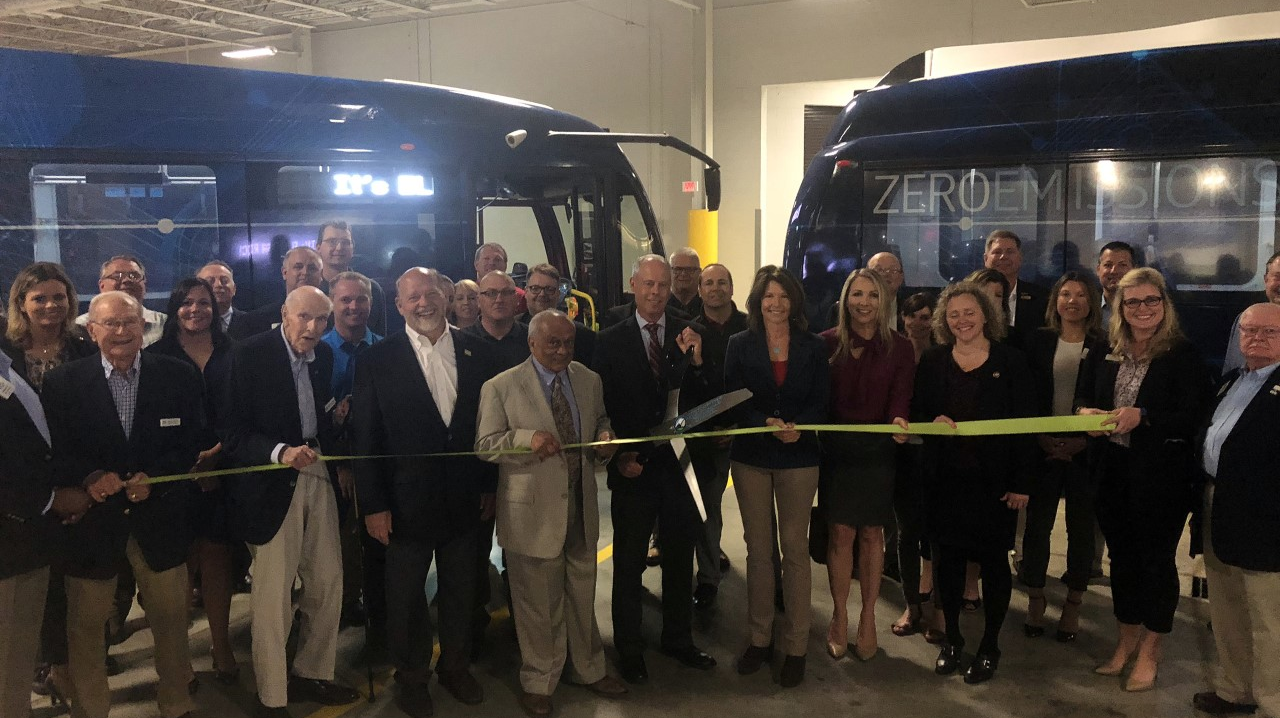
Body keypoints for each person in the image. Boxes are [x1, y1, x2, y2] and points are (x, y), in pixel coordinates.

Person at [43, 290, 206, 718]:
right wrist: (90, 477)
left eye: (129, 322)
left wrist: (156, 478)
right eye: (109, 324)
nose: (120, 331)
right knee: (85, 629)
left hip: (159, 521)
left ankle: (176, 703)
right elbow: (56, 451)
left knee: (171, 623)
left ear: (144, 327)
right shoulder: (62, 384)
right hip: (93, 528)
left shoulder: (177, 375)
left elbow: (191, 442)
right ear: (91, 330)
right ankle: (92, 710)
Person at [352, 268, 498, 717]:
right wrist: (373, 505)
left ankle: (455, 667)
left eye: (430, 294)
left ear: (448, 296)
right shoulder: (377, 359)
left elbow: (490, 429)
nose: (423, 304)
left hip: (464, 499)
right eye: (412, 298)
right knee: (406, 597)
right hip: (401, 504)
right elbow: (366, 440)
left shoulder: (480, 352)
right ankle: (412, 677)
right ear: (398, 307)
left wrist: (489, 488)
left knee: (461, 590)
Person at [474, 310, 628, 717]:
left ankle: (589, 669)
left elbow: (600, 421)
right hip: (532, 514)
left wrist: (605, 437)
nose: (561, 351)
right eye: (552, 344)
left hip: (581, 506)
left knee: (581, 594)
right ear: (531, 343)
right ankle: (539, 680)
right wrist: (526, 439)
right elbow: (485, 444)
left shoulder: (588, 380)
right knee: (537, 605)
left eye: (568, 343)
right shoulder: (501, 386)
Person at [219, 286, 359, 717]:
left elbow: (317, 416)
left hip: (316, 472)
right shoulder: (248, 355)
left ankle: (312, 672)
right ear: (284, 313)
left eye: (321, 320)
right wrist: (281, 452)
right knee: (273, 597)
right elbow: (233, 434)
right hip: (270, 484)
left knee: (328, 582)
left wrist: (335, 423)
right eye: (304, 318)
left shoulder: (326, 359)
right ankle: (273, 697)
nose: (313, 328)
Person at [1076, 267, 1211, 692]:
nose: (1143, 309)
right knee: (1122, 562)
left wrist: (1145, 417)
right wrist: (1085, 415)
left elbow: (1195, 416)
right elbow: (1082, 397)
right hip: (1111, 472)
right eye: (1132, 302)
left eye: (1151, 300)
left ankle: (1151, 650)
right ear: (1120, 307)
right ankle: (1125, 643)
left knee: (1155, 564)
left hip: (1162, 479)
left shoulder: (1182, 354)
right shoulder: (1104, 347)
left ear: (1164, 305)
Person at [592, 254, 715, 685]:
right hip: (633, 467)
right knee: (627, 563)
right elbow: (601, 407)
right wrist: (618, 456)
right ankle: (629, 647)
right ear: (633, 284)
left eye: (663, 285)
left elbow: (703, 400)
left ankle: (678, 639)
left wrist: (697, 364)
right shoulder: (608, 339)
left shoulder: (689, 330)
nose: (656, 293)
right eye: (648, 284)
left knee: (680, 558)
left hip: (678, 465)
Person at [911, 281, 1035, 685]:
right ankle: (953, 642)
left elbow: (1025, 428)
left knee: (994, 565)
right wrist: (932, 423)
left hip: (995, 486)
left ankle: (990, 645)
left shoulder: (1012, 361)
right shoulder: (932, 361)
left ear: (986, 315)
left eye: (969, 312)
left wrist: (1021, 483)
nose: (962, 320)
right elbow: (918, 412)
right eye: (953, 314)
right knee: (946, 563)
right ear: (944, 321)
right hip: (943, 482)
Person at [722, 266, 828, 686]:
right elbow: (733, 399)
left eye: (783, 296)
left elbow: (823, 399)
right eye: (768, 296)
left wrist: (801, 424)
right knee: (759, 552)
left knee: (795, 552)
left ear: (794, 301)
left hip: (800, 457)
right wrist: (760, 419)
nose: (776, 304)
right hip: (751, 456)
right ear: (757, 302)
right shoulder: (739, 344)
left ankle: (797, 645)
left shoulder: (814, 346)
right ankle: (760, 638)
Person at [3, 262, 98, 703]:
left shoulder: (84, 348)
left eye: (58, 297)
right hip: (23, 494)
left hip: (77, 485)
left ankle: (64, 667)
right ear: (21, 302)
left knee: (67, 588)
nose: (50, 305)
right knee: (29, 593)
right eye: (39, 297)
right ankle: (46, 668)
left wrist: (81, 491)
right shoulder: (5, 353)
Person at [145, 278, 239, 684]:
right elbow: (148, 421)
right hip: (176, 475)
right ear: (174, 308)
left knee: (218, 562)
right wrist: (190, 465)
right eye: (186, 303)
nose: (195, 310)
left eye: (203, 303)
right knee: (180, 569)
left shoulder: (235, 353)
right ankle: (179, 659)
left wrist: (217, 456)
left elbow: (246, 410)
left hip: (227, 468)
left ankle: (221, 647)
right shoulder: (154, 355)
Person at [819, 268, 914, 662]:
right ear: (845, 300)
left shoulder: (902, 347)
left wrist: (898, 420)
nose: (864, 302)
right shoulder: (824, 343)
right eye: (856, 294)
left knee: (873, 534)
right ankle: (840, 616)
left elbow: (900, 397)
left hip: (878, 452)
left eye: (872, 295)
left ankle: (869, 617)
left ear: (884, 300)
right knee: (840, 533)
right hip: (837, 451)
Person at [1193, 302, 1280, 718]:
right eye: (1249, 331)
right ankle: (1236, 690)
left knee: (1270, 620)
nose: (1257, 339)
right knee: (1226, 607)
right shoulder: (1231, 381)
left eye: (1270, 332)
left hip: (1268, 518)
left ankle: (1272, 704)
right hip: (1219, 505)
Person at [1019, 272, 1108, 642]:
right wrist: (1040, 437)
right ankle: (1036, 598)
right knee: (1037, 529)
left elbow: (1109, 397)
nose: (1072, 301)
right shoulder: (1037, 341)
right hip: (1042, 448)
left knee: (1080, 529)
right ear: (1055, 301)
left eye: (1081, 295)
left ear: (1092, 302)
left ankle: (1073, 602)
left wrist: (1082, 443)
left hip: (1083, 452)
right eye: (1065, 294)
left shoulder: (1104, 345)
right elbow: (1026, 395)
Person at [319, 271, 387, 637]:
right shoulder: (319, 351)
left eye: (361, 299)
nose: (354, 306)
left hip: (377, 465)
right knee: (337, 545)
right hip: (334, 465)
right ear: (332, 303)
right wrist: (342, 461)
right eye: (346, 300)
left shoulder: (387, 349)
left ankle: (377, 615)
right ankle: (339, 606)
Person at [688, 263, 747, 609]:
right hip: (706, 437)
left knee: (760, 515)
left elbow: (756, 384)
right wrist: (711, 427)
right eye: (708, 283)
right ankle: (708, 579)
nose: (715, 289)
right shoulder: (687, 331)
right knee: (708, 510)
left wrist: (737, 425)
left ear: (732, 287)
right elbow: (689, 391)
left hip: (749, 432)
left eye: (721, 282)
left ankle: (773, 581)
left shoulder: (751, 328)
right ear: (699, 290)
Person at [890, 291, 942, 642]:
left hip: (938, 455)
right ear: (903, 318)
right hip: (901, 455)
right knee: (906, 533)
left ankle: (937, 607)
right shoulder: (893, 350)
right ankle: (911, 603)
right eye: (913, 316)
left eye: (926, 317)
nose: (918, 323)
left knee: (937, 535)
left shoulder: (943, 355)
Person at [316, 220, 388, 335]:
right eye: (332, 241)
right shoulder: (310, 292)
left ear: (352, 248)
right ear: (318, 247)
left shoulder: (372, 289)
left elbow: (381, 339)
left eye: (345, 242)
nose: (339, 248)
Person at [75, 255, 167, 346]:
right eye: (117, 276)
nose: (127, 280)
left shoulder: (164, 324)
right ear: (101, 285)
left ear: (144, 284)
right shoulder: (79, 327)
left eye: (134, 276)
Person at [519, 263, 596, 364]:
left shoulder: (582, 335)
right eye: (535, 288)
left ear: (558, 294)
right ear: (526, 292)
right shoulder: (514, 332)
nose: (542, 294)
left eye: (549, 289)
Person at [1222, 250, 1280, 375]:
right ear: (1266, 280)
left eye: (1270, 331)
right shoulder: (1247, 319)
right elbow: (1232, 369)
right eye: (1278, 277)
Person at [983, 229, 1047, 332]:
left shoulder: (1042, 298)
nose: (1003, 257)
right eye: (997, 252)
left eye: (1010, 252)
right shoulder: (970, 296)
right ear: (986, 259)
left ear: (1020, 258)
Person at [246, 246, 325, 328]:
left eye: (312, 268)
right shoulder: (257, 319)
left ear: (321, 274)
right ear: (284, 273)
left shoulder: (333, 317)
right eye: (298, 267)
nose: (305, 272)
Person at [197, 260, 271, 340]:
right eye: (210, 281)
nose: (218, 285)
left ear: (234, 289)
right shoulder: (188, 325)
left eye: (224, 281)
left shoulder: (255, 324)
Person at [1095, 241, 1137, 327]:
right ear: (1098, 270)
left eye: (1122, 265)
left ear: (1134, 270)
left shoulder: (1144, 307)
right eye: (1108, 265)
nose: (1114, 271)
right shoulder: (1087, 305)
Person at [867, 252, 905, 327]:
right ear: (867, 276)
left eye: (893, 270)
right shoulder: (856, 308)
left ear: (901, 277)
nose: (886, 274)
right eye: (879, 270)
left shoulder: (910, 309)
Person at [668, 247, 703, 317]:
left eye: (689, 269)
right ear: (668, 272)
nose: (683, 274)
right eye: (677, 269)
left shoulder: (709, 308)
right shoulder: (659, 308)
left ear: (700, 273)